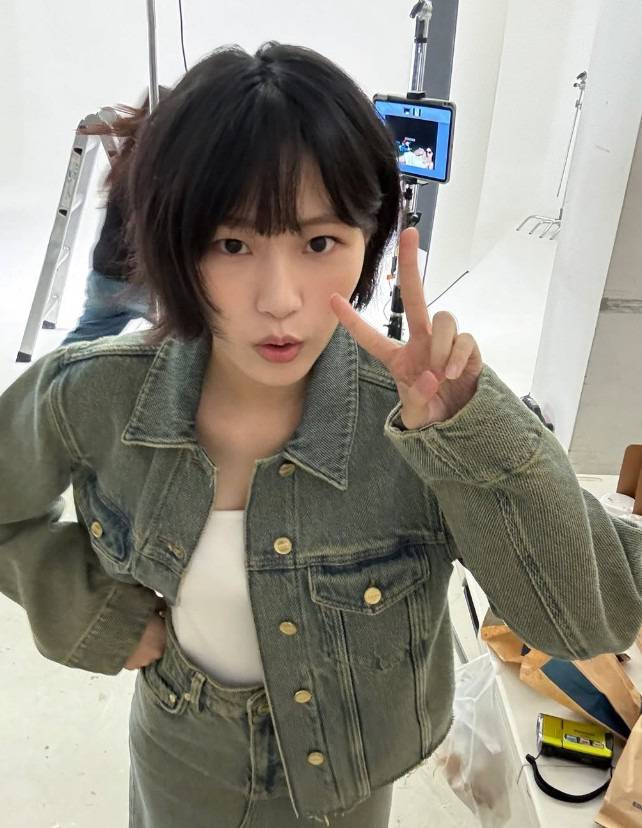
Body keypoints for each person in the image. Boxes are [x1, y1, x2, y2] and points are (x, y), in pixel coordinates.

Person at [1, 41, 641, 828]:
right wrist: (94, 613)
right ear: (175, 244)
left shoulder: (419, 421)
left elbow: (586, 622)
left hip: (352, 768)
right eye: (232, 244)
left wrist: (474, 435)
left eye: (319, 243)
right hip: (183, 751)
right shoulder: (98, 394)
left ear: (370, 241)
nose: (280, 299)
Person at [61, 87, 170, 345]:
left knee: (83, 341)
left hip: (104, 276)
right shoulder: (160, 171)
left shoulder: (127, 161)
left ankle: (59, 367)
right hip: (140, 282)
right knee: (195, 338)